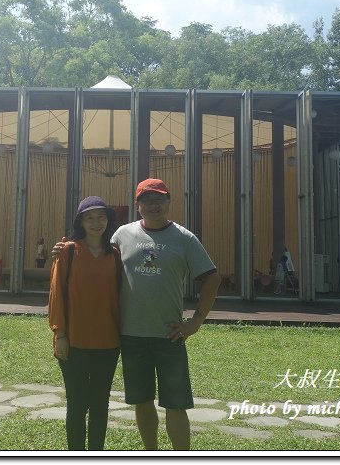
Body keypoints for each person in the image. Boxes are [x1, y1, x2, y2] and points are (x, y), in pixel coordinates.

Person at [53, 179, 222, 450]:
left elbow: (212, 278)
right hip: (130, 336)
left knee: (176, 404)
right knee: (142, 401)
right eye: (147, 200)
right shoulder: (121, 234)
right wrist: (64, 247)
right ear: (138, 205)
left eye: (159, 199)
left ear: (169, 202)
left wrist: (196, 321)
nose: (153, 205)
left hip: (170, 336)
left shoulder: (184, 237)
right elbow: (91, 245)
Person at [48, 196, 122, 451]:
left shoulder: (115, 254)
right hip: (74, 341)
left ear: (108, 221)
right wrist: (60, 334)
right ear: (80, 221)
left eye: (101, 217)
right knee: (77, 404)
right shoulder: (68, 250)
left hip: (109, 342)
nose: (96, 222)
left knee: (101, 403)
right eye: (89, 217)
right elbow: (56, 294)